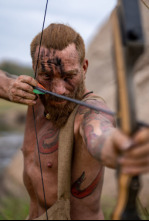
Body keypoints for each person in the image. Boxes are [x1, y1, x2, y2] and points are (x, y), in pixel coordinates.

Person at [0, 24, 149, 220]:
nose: (59, 90)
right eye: (46, 76)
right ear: (35, 71)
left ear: (84, 68)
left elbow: (100, 136)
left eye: (68, 76)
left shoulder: (90, 112)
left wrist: (122, 147)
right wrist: (10, 86)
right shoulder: (33, 95)